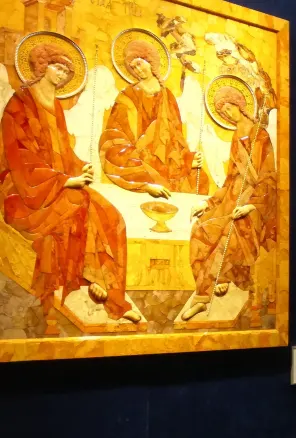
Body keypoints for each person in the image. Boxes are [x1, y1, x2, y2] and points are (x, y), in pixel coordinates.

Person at [1, 42, 140, 325]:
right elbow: (20, 159)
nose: (62, 73)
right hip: (25, 191)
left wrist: (80, 167)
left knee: (111, 215)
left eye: (67, 70)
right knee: (77, 204)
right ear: (42, 66)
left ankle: (108, 289)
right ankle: (87, 279)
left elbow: (62, 153)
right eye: (57, 66)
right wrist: (65, 180)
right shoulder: (19, 104)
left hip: (56, 184)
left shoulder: (55, 106)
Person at [181, 85, 277, 321]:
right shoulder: (236, 138)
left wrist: (252, 206)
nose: (227, 113)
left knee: (229, 235)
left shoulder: (260, 135)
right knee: (201, 229)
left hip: (256, 204)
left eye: (229, 107)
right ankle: (219, 278)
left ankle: (202, 298)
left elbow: (268, 178)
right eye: (222, 111)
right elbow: (230, 180)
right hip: (232, 198)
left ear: (239, 105)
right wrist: (208, 203)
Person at [100, 38, 205, 196]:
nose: (137, 70)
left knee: (200, 179)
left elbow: (176, 136)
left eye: (139, 63)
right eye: (133, 67)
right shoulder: (127, 96)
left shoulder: (167, 96)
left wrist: (188, 158)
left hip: (164, 157)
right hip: (138, 155)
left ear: (150, 61)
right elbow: (115, 133)